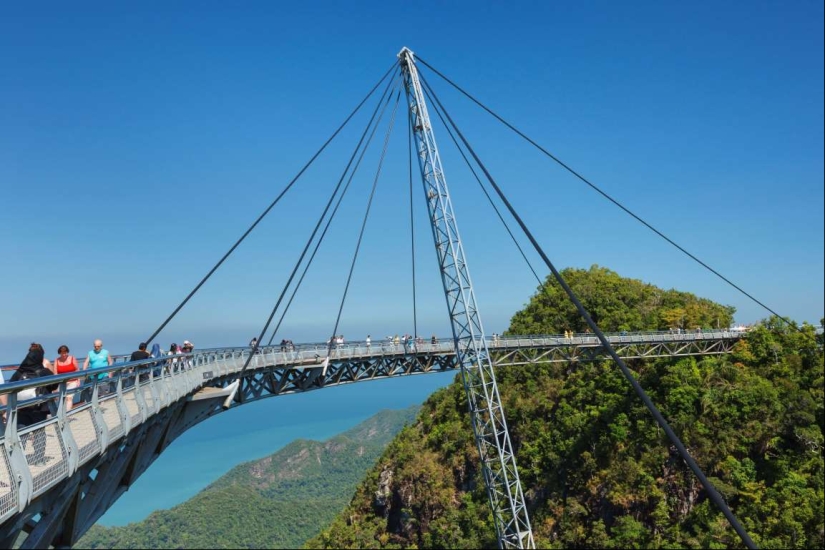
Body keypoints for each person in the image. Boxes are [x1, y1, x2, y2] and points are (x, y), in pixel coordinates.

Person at [10, 344, 54, 463]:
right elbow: (55, 385)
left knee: (21, 432)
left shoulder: (20, 372)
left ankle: (17, 461)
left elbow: (11, 386)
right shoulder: (44, 371)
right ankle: (39, 459)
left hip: (21, 407)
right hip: (39, 408)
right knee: (39, 432)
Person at [54, 345, 80, 412]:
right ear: (60, 353)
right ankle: (62, 413)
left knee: (69, 398)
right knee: (62, 399)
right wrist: (55, 387)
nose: (64, 354)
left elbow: (77, 369)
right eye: (62, 353)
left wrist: (78, 380)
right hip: (62, 383)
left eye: (65, 352)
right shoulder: (56, 361)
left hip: (72, 381)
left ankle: (67, 414)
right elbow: (55, 374)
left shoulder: (72, 358)